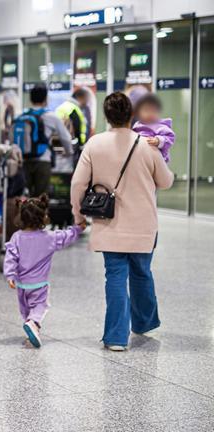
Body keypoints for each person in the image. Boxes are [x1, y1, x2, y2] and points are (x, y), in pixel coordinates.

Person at [71, 92, 174, 352]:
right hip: (144, 226)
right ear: (131, 115)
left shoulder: (94, 144)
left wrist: (78, 216)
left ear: (107, 116)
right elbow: (166, 182)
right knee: (142, 272)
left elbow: (78, 184)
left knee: (115, 276)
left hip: (109, 224)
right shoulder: (146, 145)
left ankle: (116, 338)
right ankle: (144, 323)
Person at [4, 194, 84, 348]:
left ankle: (31, 327)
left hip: (21, 285)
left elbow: (10, 257)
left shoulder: (16, 237)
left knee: (26, 309)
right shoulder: (49, 237)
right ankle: (33, 323)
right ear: (43, 217)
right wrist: (78, 229)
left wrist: (10, 275)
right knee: (40, 306)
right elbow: (66, 236)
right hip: (39, 284)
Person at [19, 85, 74, 197]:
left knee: (24, 197)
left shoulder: (21, 116)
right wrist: (69, 153)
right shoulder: (51, 116)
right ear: (45, 99)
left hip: (24, 161)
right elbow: (66, 138)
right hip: (43, 161)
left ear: (30, 99)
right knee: (41, 198)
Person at [132, 93, 175, 163]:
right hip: (141, 158)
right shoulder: (137, 126)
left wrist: (158, 140)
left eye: (154, 111)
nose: (150, 114)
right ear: (138, 112)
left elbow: (170, 137)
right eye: (146, 110)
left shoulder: (160, 126)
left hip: (157, 160)